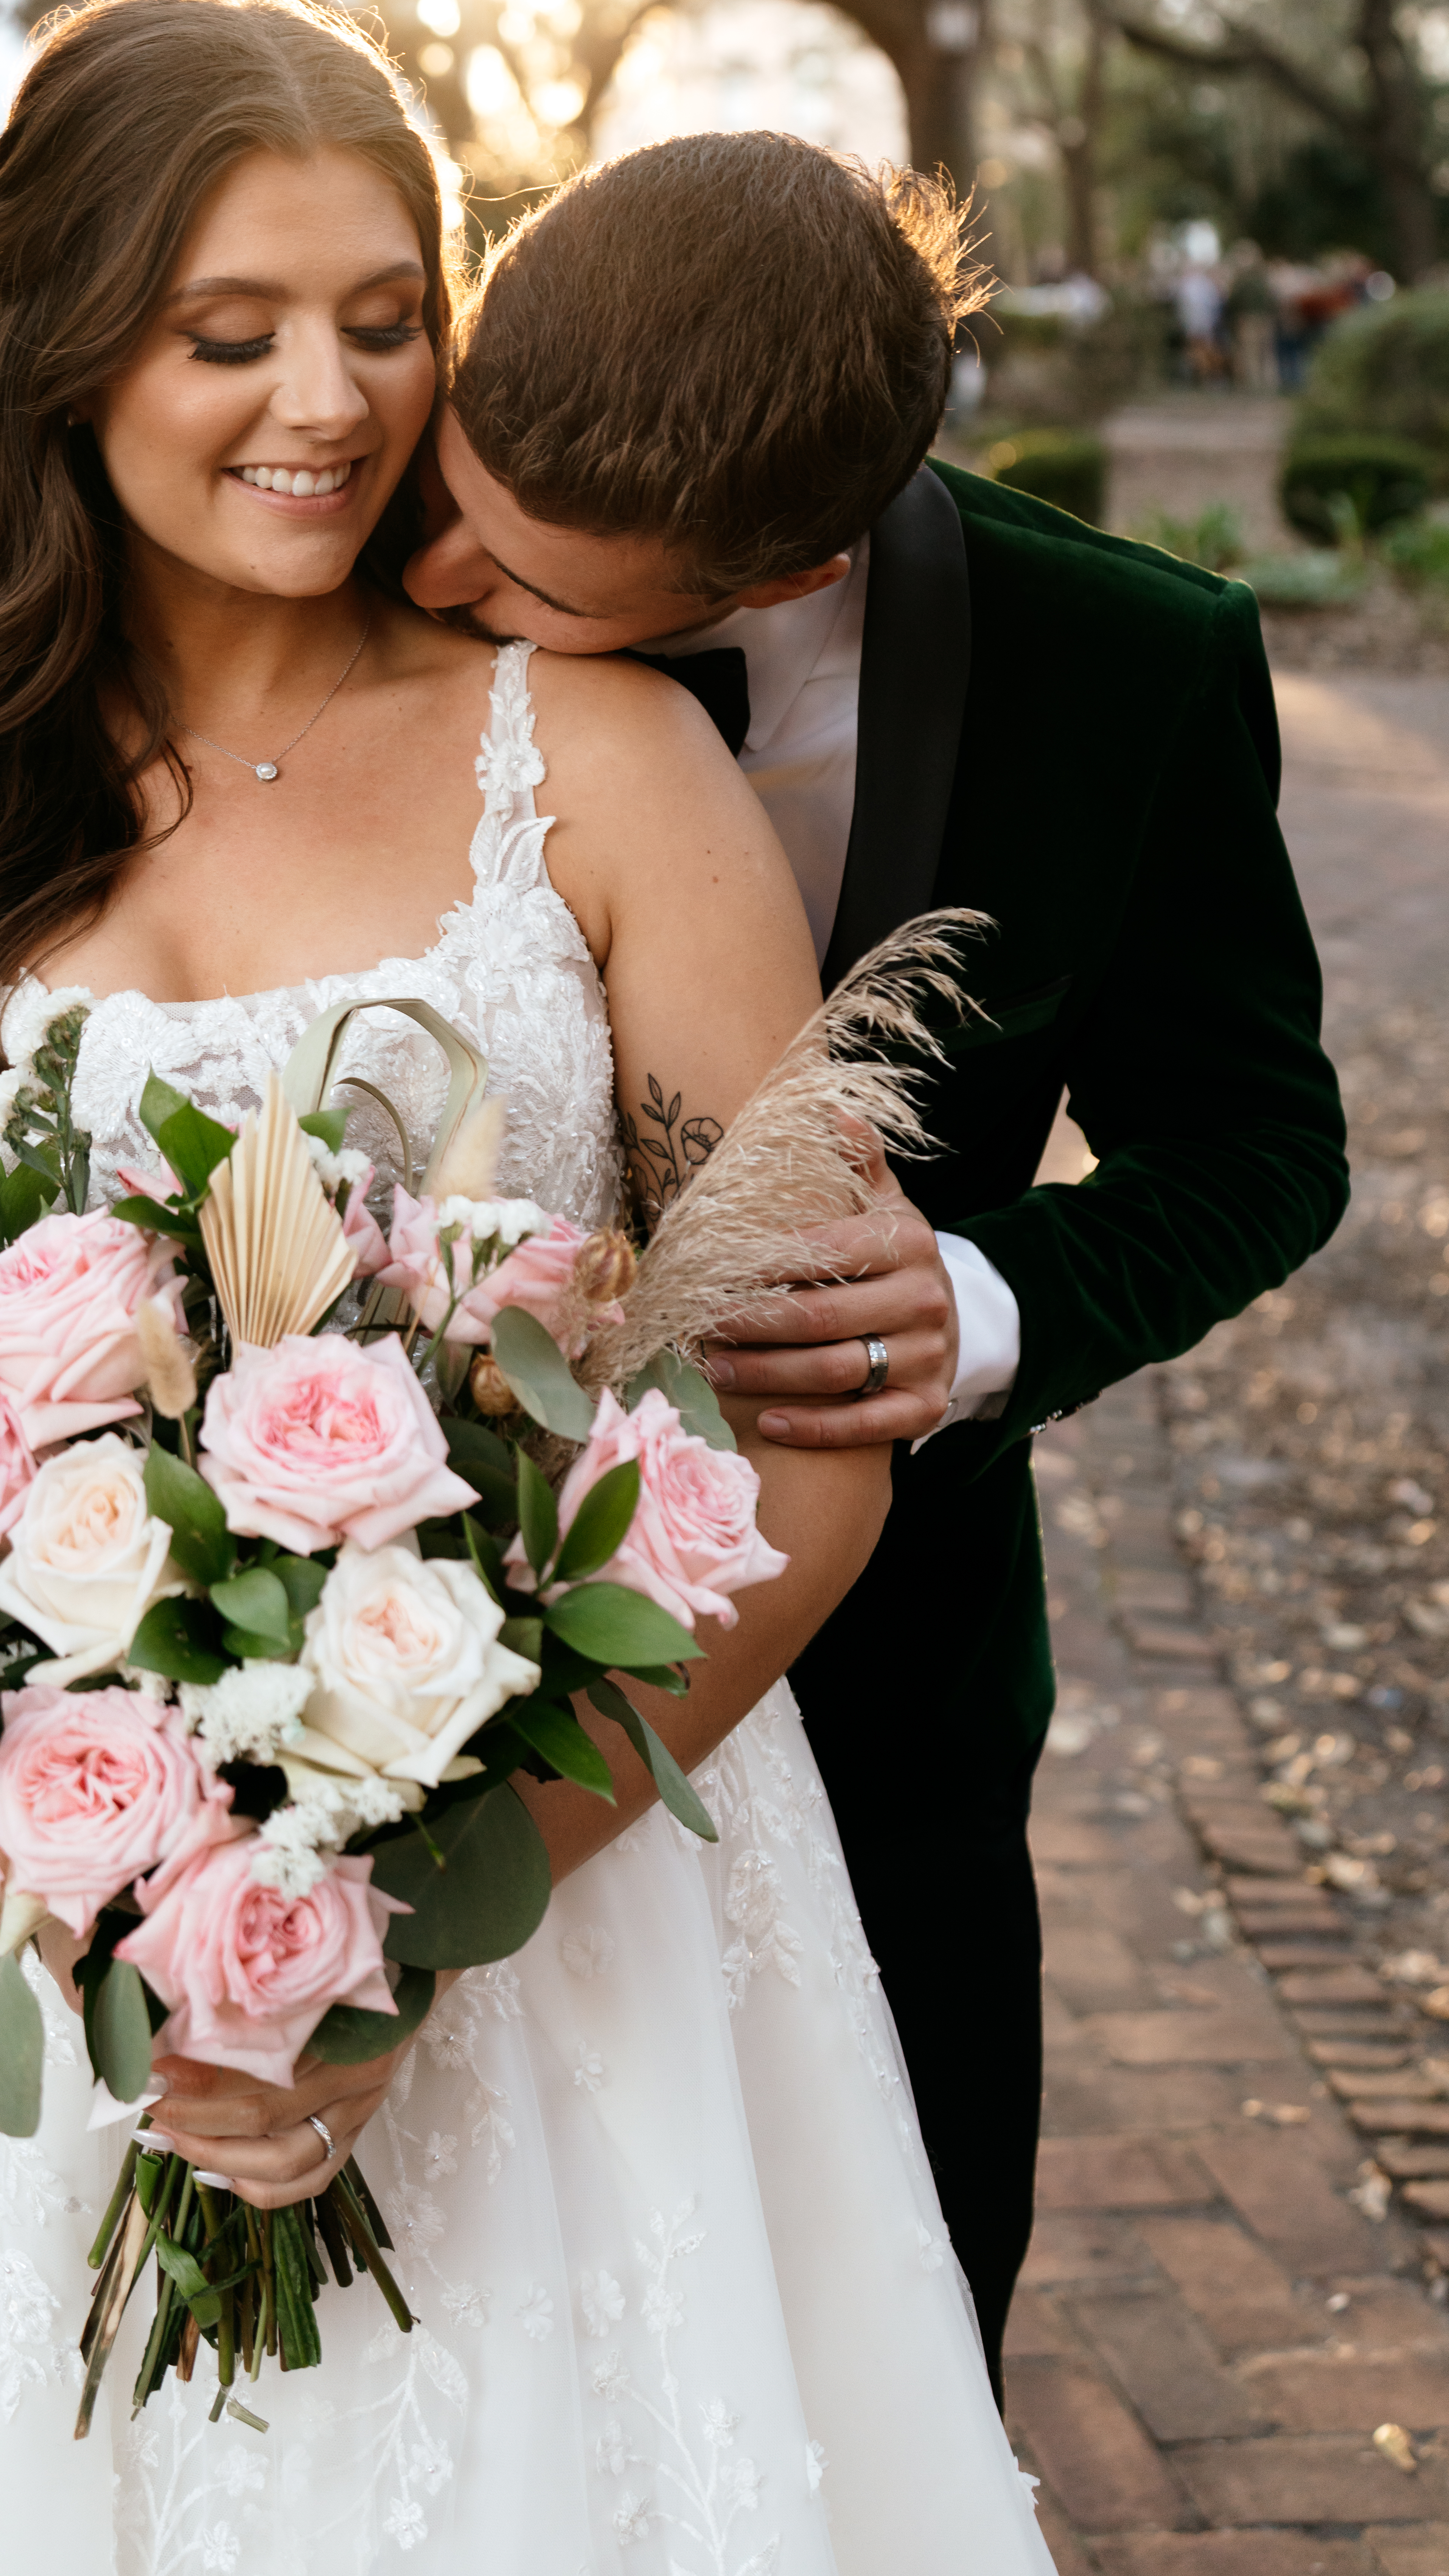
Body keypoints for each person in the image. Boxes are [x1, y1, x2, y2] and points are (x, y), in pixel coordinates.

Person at [0, 0, 1052, 2573]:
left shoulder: (608, 760)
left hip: (565, 1910)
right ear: (67, 350)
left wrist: (380, 1936)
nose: (331, 397)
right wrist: (127, 1876)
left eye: (390, 318)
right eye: (230, 331)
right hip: (4, 1916)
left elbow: (798, 1449)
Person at [401, 132, 1350, 2388]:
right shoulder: (378, 555)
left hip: (888, 1674)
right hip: (397, 1645)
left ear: (789, 559)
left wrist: (995, 1305)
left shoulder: (1126, 670)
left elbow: (1260, 1143)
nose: (425, 566)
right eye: (460, 484)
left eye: (528, 576)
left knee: (896, 2335)